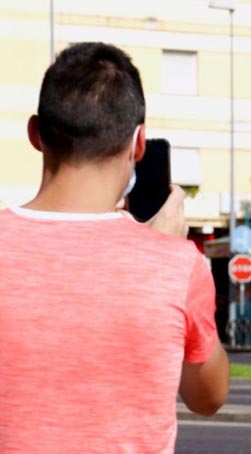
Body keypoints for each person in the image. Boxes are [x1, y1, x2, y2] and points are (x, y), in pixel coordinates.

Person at [0, 42, 230, 453]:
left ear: (36, 133)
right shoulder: (177, 266)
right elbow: (207, 396)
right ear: (138, 145)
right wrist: (162, 248)